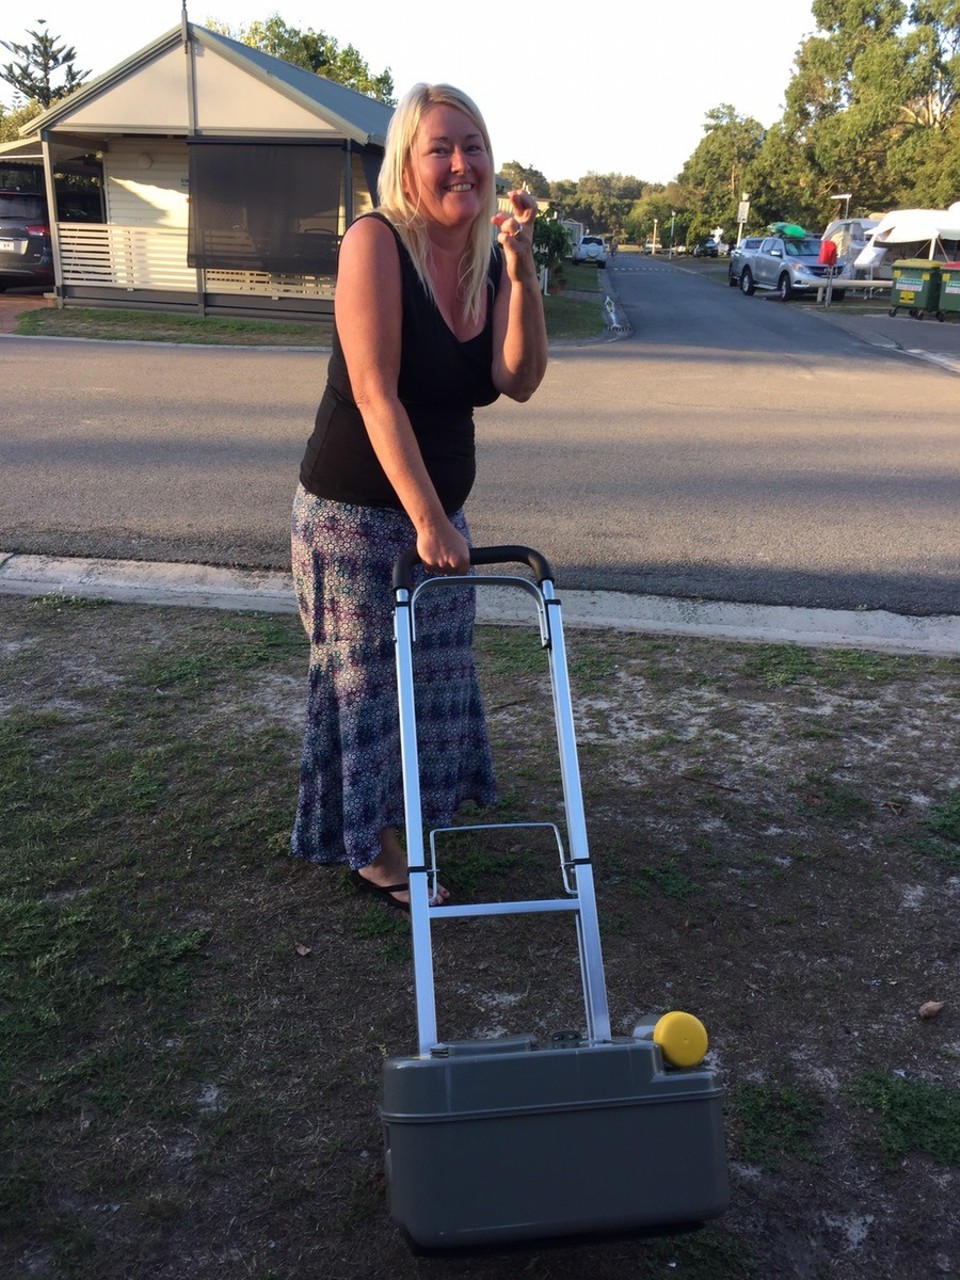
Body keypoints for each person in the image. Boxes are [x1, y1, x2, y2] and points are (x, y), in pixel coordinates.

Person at [290, 83, 548, 912]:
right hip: (353, 513)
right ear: (407, 161)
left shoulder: (481, 256)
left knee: (432, 680)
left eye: (472, 145)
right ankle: (376, 851)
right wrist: (430, 519)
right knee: (368, 686)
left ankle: (415, 817)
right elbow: (374, 394)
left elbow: (518, 379)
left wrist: (522, 272)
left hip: (437, 518)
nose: (461, 163)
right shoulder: (375, 242)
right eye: (441, 147)